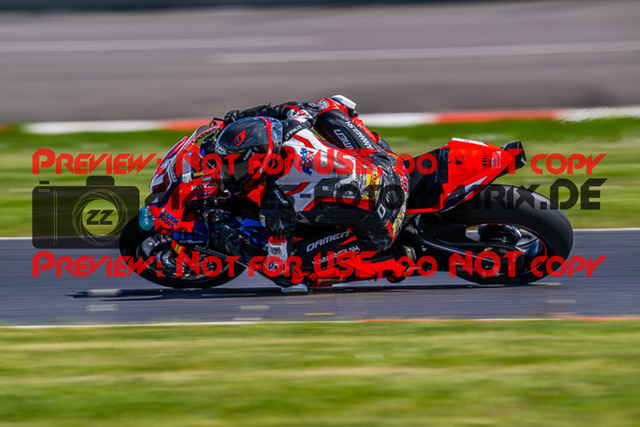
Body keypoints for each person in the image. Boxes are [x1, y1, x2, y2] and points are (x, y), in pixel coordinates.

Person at [203, 95, 410, 293]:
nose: (229, 173)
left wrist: (228, 241)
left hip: (384, 223)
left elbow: (277, 269)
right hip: (389, 167)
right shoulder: (292, 128)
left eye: (236, 167)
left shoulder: (275, 201)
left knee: (295, 272)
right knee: (327, 106)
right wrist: (244, 116)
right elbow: (302, 108)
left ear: (258, 162)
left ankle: (391, 263)